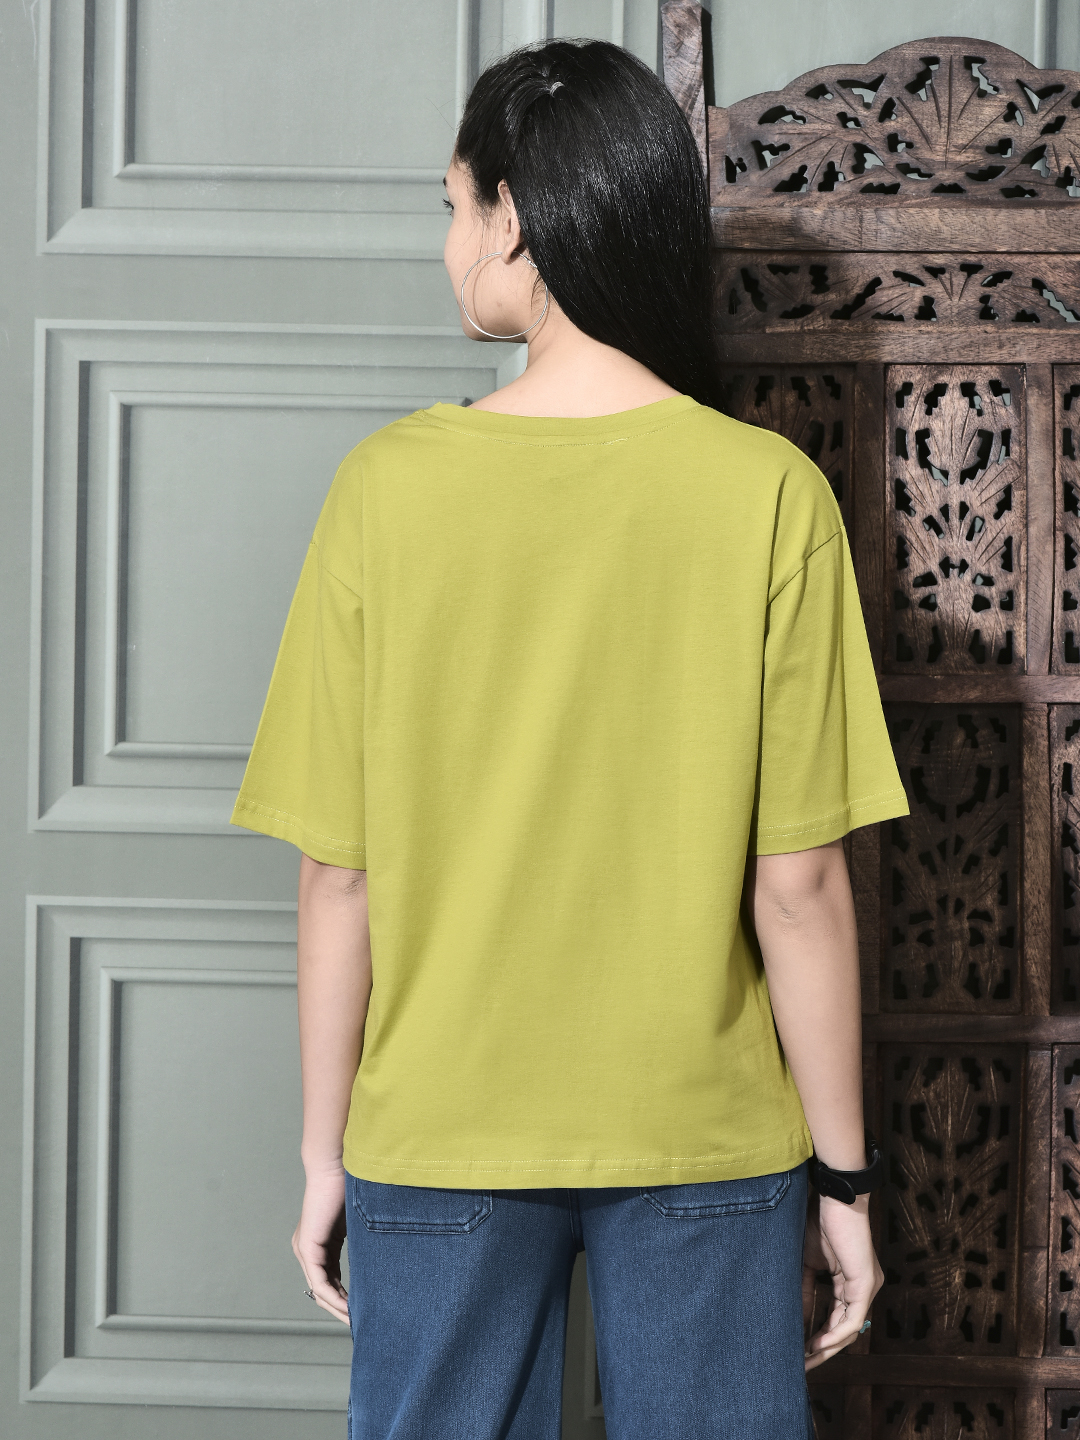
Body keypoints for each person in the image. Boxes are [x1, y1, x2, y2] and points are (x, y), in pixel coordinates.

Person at [231, 36, 909, 1440]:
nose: (447, 244)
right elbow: (799, 887)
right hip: (705, 1134)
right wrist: (845, 1180)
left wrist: (323, 1154)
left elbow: (339, 877)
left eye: (452, 207)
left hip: (442, 1128)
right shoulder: (768, 494)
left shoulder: (384, 494)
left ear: (514, 220)